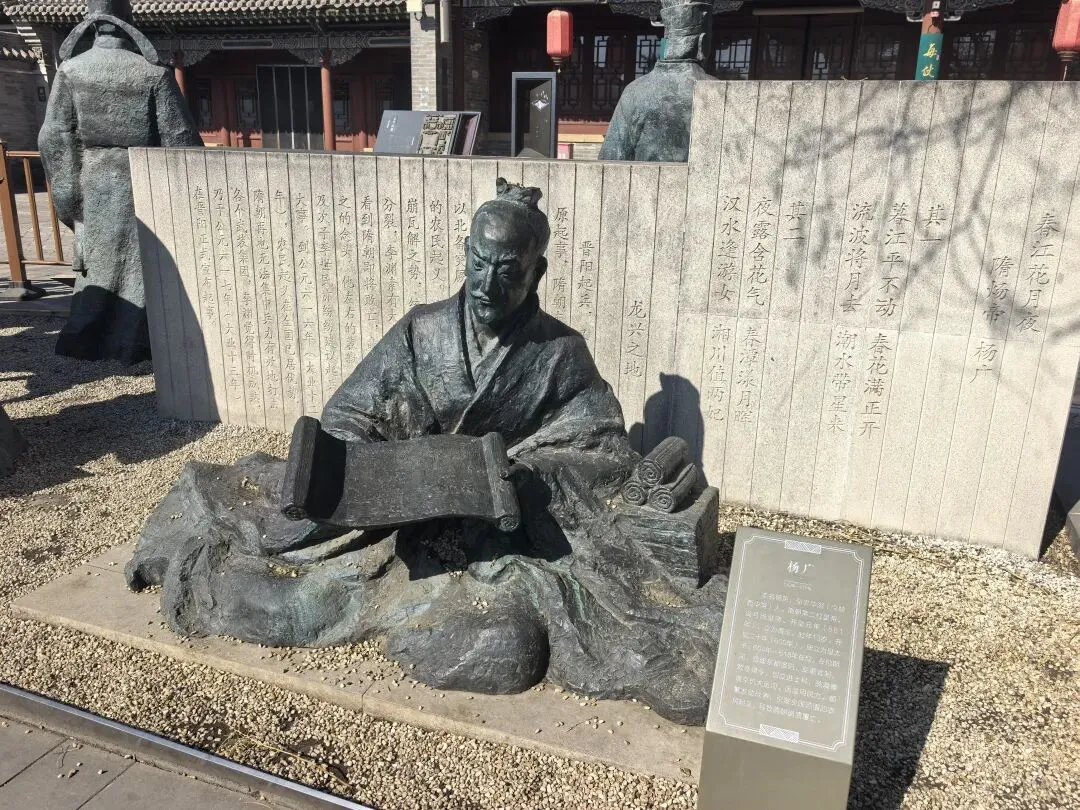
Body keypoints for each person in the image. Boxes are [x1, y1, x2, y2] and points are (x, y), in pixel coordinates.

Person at [126, 181, 724, 724]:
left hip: (496, 524)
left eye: (508, 271)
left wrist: (525, 475)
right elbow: (347, 416)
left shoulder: (560, 353)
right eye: (478, 263)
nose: (487, 285)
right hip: (396, 508)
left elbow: (599, 447)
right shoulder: (422, 330)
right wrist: (390, 468)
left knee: (522, 636)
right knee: (294, 561)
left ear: (537, 273)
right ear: (465, 253)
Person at [38, 0, 202, 365]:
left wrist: (71, 206)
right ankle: (135, 344)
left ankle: (88, 340)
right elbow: (182, 142)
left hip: (92, 178)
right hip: (143, 181)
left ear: (93, 24)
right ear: (129, 23)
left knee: (97, 265)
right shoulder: (153, 74)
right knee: (141, 267)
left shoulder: (71, 71)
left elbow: (54, 139)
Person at [597, 0, 717, 163]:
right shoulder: (718, 92)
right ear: (702, 43)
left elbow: (610, 159)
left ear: (666, 42)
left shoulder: (635, 91)